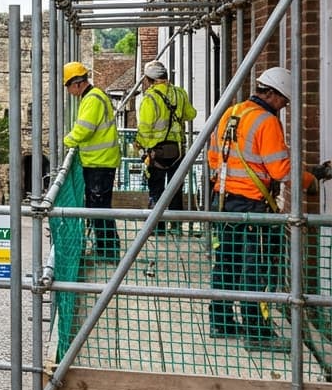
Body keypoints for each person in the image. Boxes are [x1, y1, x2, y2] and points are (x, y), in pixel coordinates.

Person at [206, 66, 332, 349]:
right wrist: (311, 179)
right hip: (251, 205)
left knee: (225, 264)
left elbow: (214, 156)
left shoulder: (233, 112)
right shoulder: (267, 121)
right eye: (284, 101)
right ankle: (257, 333)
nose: (285, 107)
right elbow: (280, 169)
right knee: (255, 269)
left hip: (224, 201)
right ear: (273, 95)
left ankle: (221, 322)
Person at [62, 61, 121, 261]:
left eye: (68, 86)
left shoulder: (93, 99)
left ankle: (108, 252)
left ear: (77, 83)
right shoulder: (92, 97)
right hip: (99, 162)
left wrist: (66, 140)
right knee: (99, 208)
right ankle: (106, 250)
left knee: (99, 209)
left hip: (100, 164)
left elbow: (84, 129)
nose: (68, 91)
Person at [134, 61, 197, 219]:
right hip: (177, 150)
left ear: (149, 80)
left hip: (157, 153)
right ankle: (176, 226)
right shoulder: (179, 93)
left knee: (157, 190)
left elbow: (145, 129)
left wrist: (140, 145)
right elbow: (191, 114)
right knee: (175, 189)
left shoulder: (150, 98)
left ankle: (157, 227)